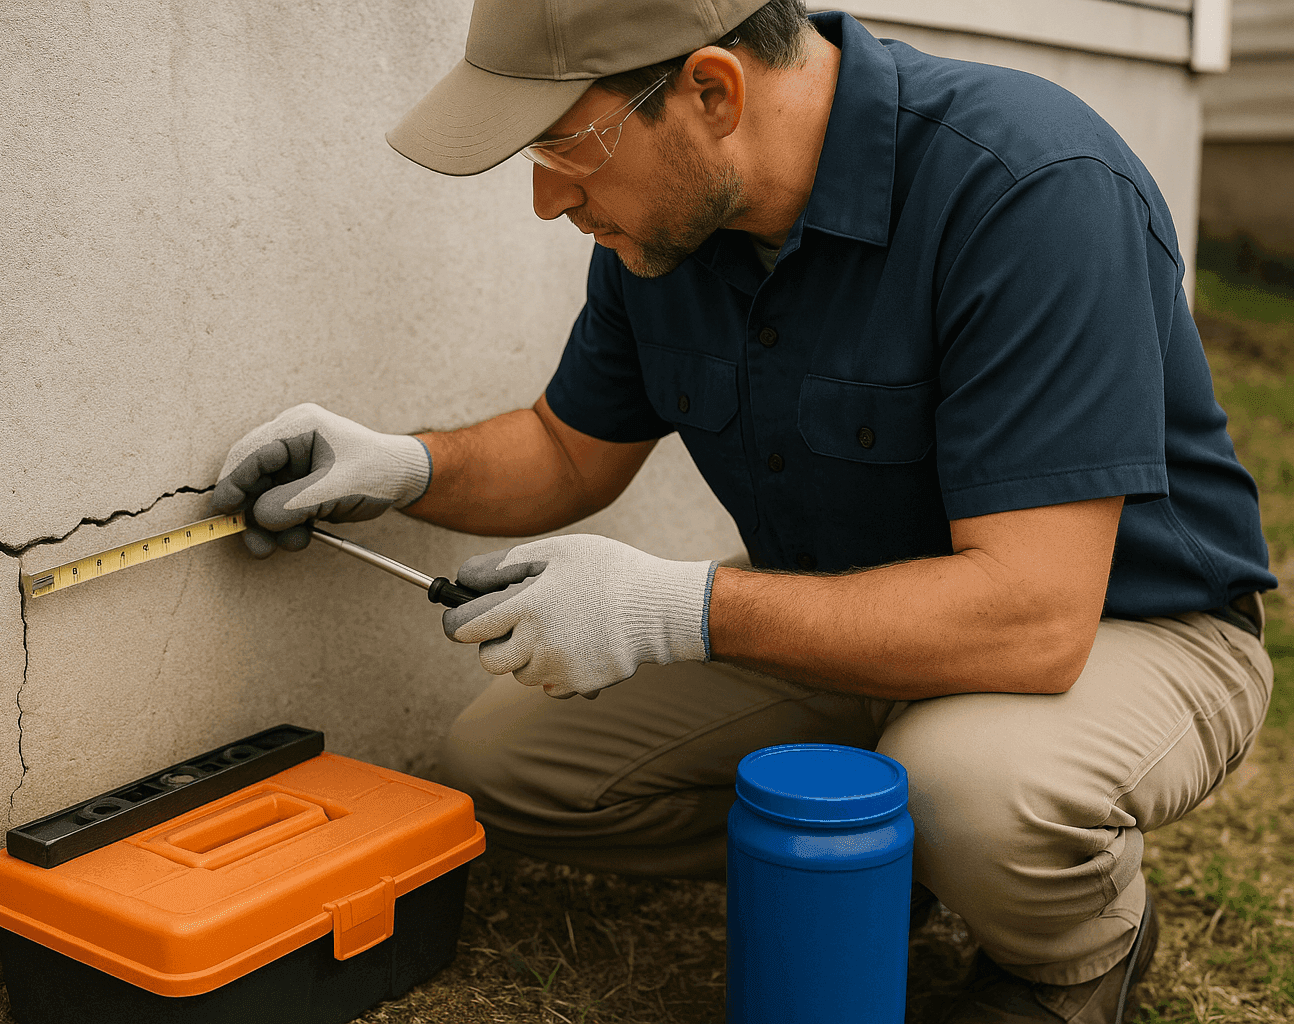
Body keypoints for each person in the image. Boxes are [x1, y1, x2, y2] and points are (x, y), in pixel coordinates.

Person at [211, 1, 1278, 1020]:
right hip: (847, 624)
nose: (545, 201)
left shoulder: (1030, 188)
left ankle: (1073, 955)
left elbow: (1034, 616)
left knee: (969, 784)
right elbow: (564, 448)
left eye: (559, 147)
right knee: (509, 767)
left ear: (711, 92)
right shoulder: (670, 227)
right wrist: (403, 466)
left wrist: (671, 609)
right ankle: (886, 861)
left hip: (1123, 627)